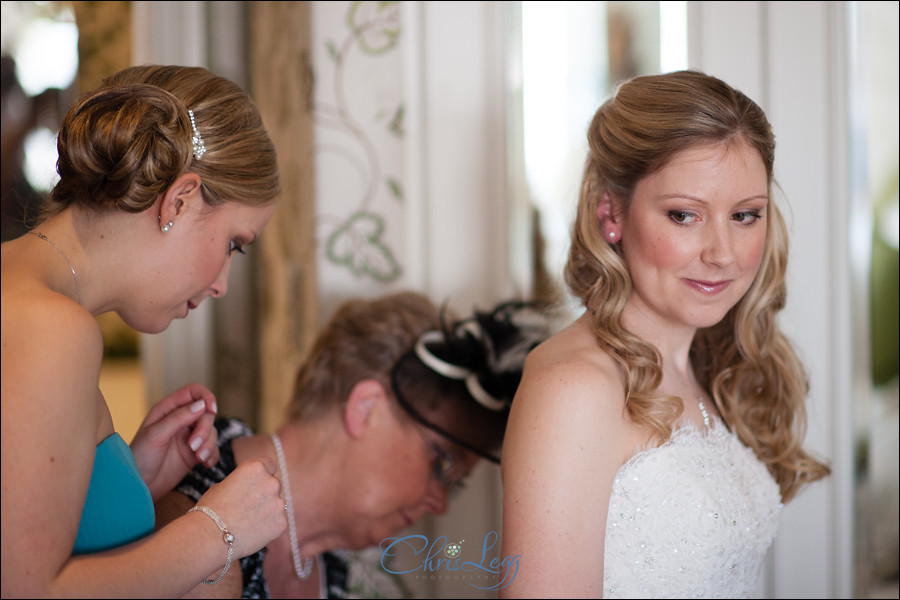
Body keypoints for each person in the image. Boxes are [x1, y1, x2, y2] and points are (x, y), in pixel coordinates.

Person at [499, 70, 832, 598]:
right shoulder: (573, 388)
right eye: (684, 215)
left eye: (745, 215)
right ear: (611, 212)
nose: (722, 252)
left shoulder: (706, 365)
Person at [1, 65, 288, 598]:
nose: (223, 284)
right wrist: (218, 531)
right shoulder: (50, 328)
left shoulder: (26, 291)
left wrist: (126, 477)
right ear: (178, 201)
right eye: (233, 244)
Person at [155, 290, 555, 599]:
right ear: (366, 408)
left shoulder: (356, 579)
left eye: (455, 483)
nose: (441, 504)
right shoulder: (198, 513)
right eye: (441, 464)